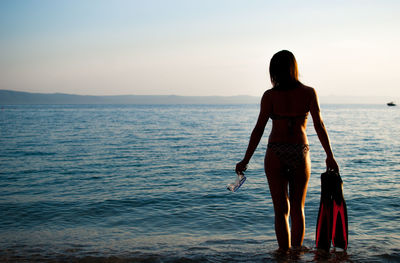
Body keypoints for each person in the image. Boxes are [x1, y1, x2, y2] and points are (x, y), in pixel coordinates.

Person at [235, 50, 339, 251]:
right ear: (294, 68)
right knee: (298, 208)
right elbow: (319, 125)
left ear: (274, 71)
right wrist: (330, 156)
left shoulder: (270, 96)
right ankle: (297, 253)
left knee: (281, 209)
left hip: (276, 151)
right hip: (300, 151)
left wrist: (245, 160)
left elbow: (258, 129)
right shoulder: (309, 92)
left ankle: (284, 254)